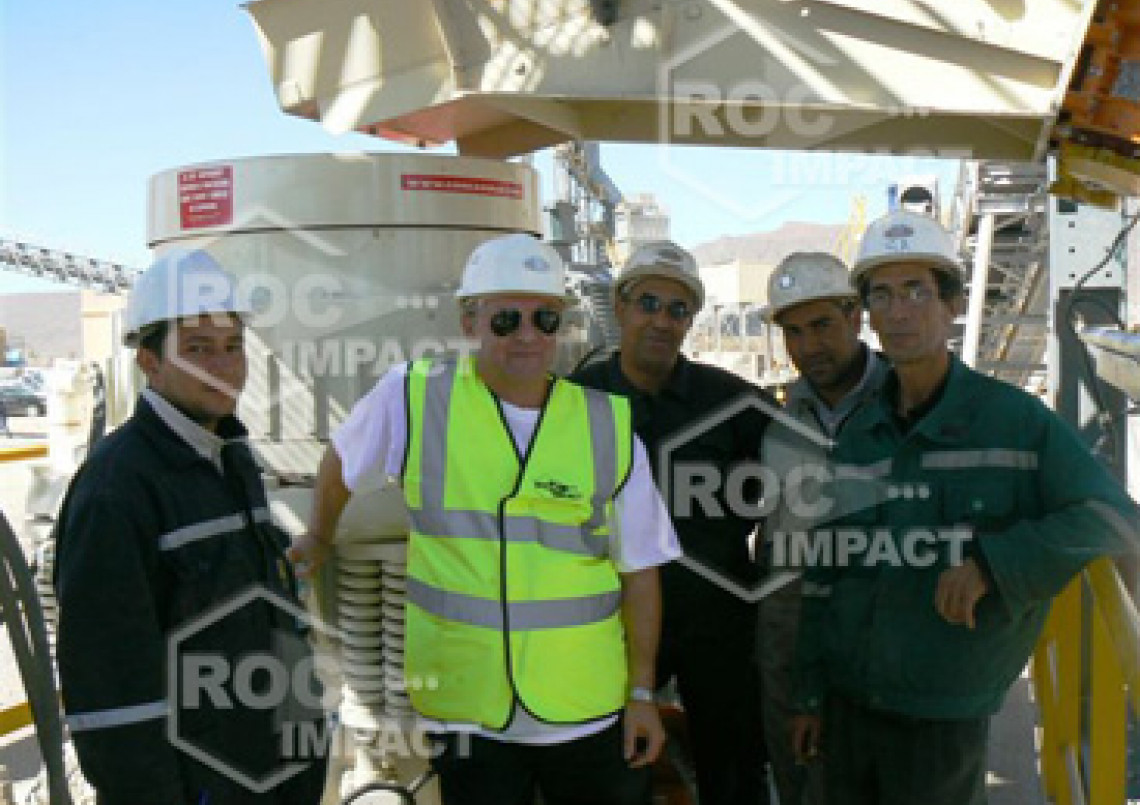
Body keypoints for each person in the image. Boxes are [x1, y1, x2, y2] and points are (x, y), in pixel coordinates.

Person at [291, 233, 680, 805]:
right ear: (470, 322)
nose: (527, 336)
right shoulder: (416, 396)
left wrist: (642, 692)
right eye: (506, 320)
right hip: (469, 711)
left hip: (586, 711)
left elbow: (640, 570)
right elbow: (343, 462)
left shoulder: (607, 425)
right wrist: (320, 535)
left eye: (545, 319)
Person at [792, 210, 1140, 805]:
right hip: (850, 708)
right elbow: (824, 579)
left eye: (916, 292)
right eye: (882, 294)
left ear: (951, 304)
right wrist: (809, 696)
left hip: (944, 716)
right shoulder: (858, 437)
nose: (899, 311)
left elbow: (1113, 518)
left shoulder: (1015, 422)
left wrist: (995, 564)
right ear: (867, 315)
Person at [54, 249, 327, 805]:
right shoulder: (118, 487)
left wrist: (308, 750)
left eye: (232, 348)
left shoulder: (231, 458)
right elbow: (111, 691)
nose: (222, 367)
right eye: (197, 349)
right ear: (149, 362)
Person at [571, 241, 772, 805]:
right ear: (621, 307)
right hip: (611, 626)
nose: (661, 320)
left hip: (719, 623)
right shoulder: (572, 404)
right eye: (648, 303)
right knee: (613, 769)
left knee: (733, 773)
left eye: (677, 309)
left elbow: (811, 471)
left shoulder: (733, 404)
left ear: (690, 321)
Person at [756, 252, 888, 805]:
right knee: (798, 776)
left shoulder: (910, 398)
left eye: (822, 326)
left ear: (855, 315)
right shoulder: (777, 419)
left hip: (881, 621)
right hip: (787, 626)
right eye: (793, 331)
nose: (809, 346)